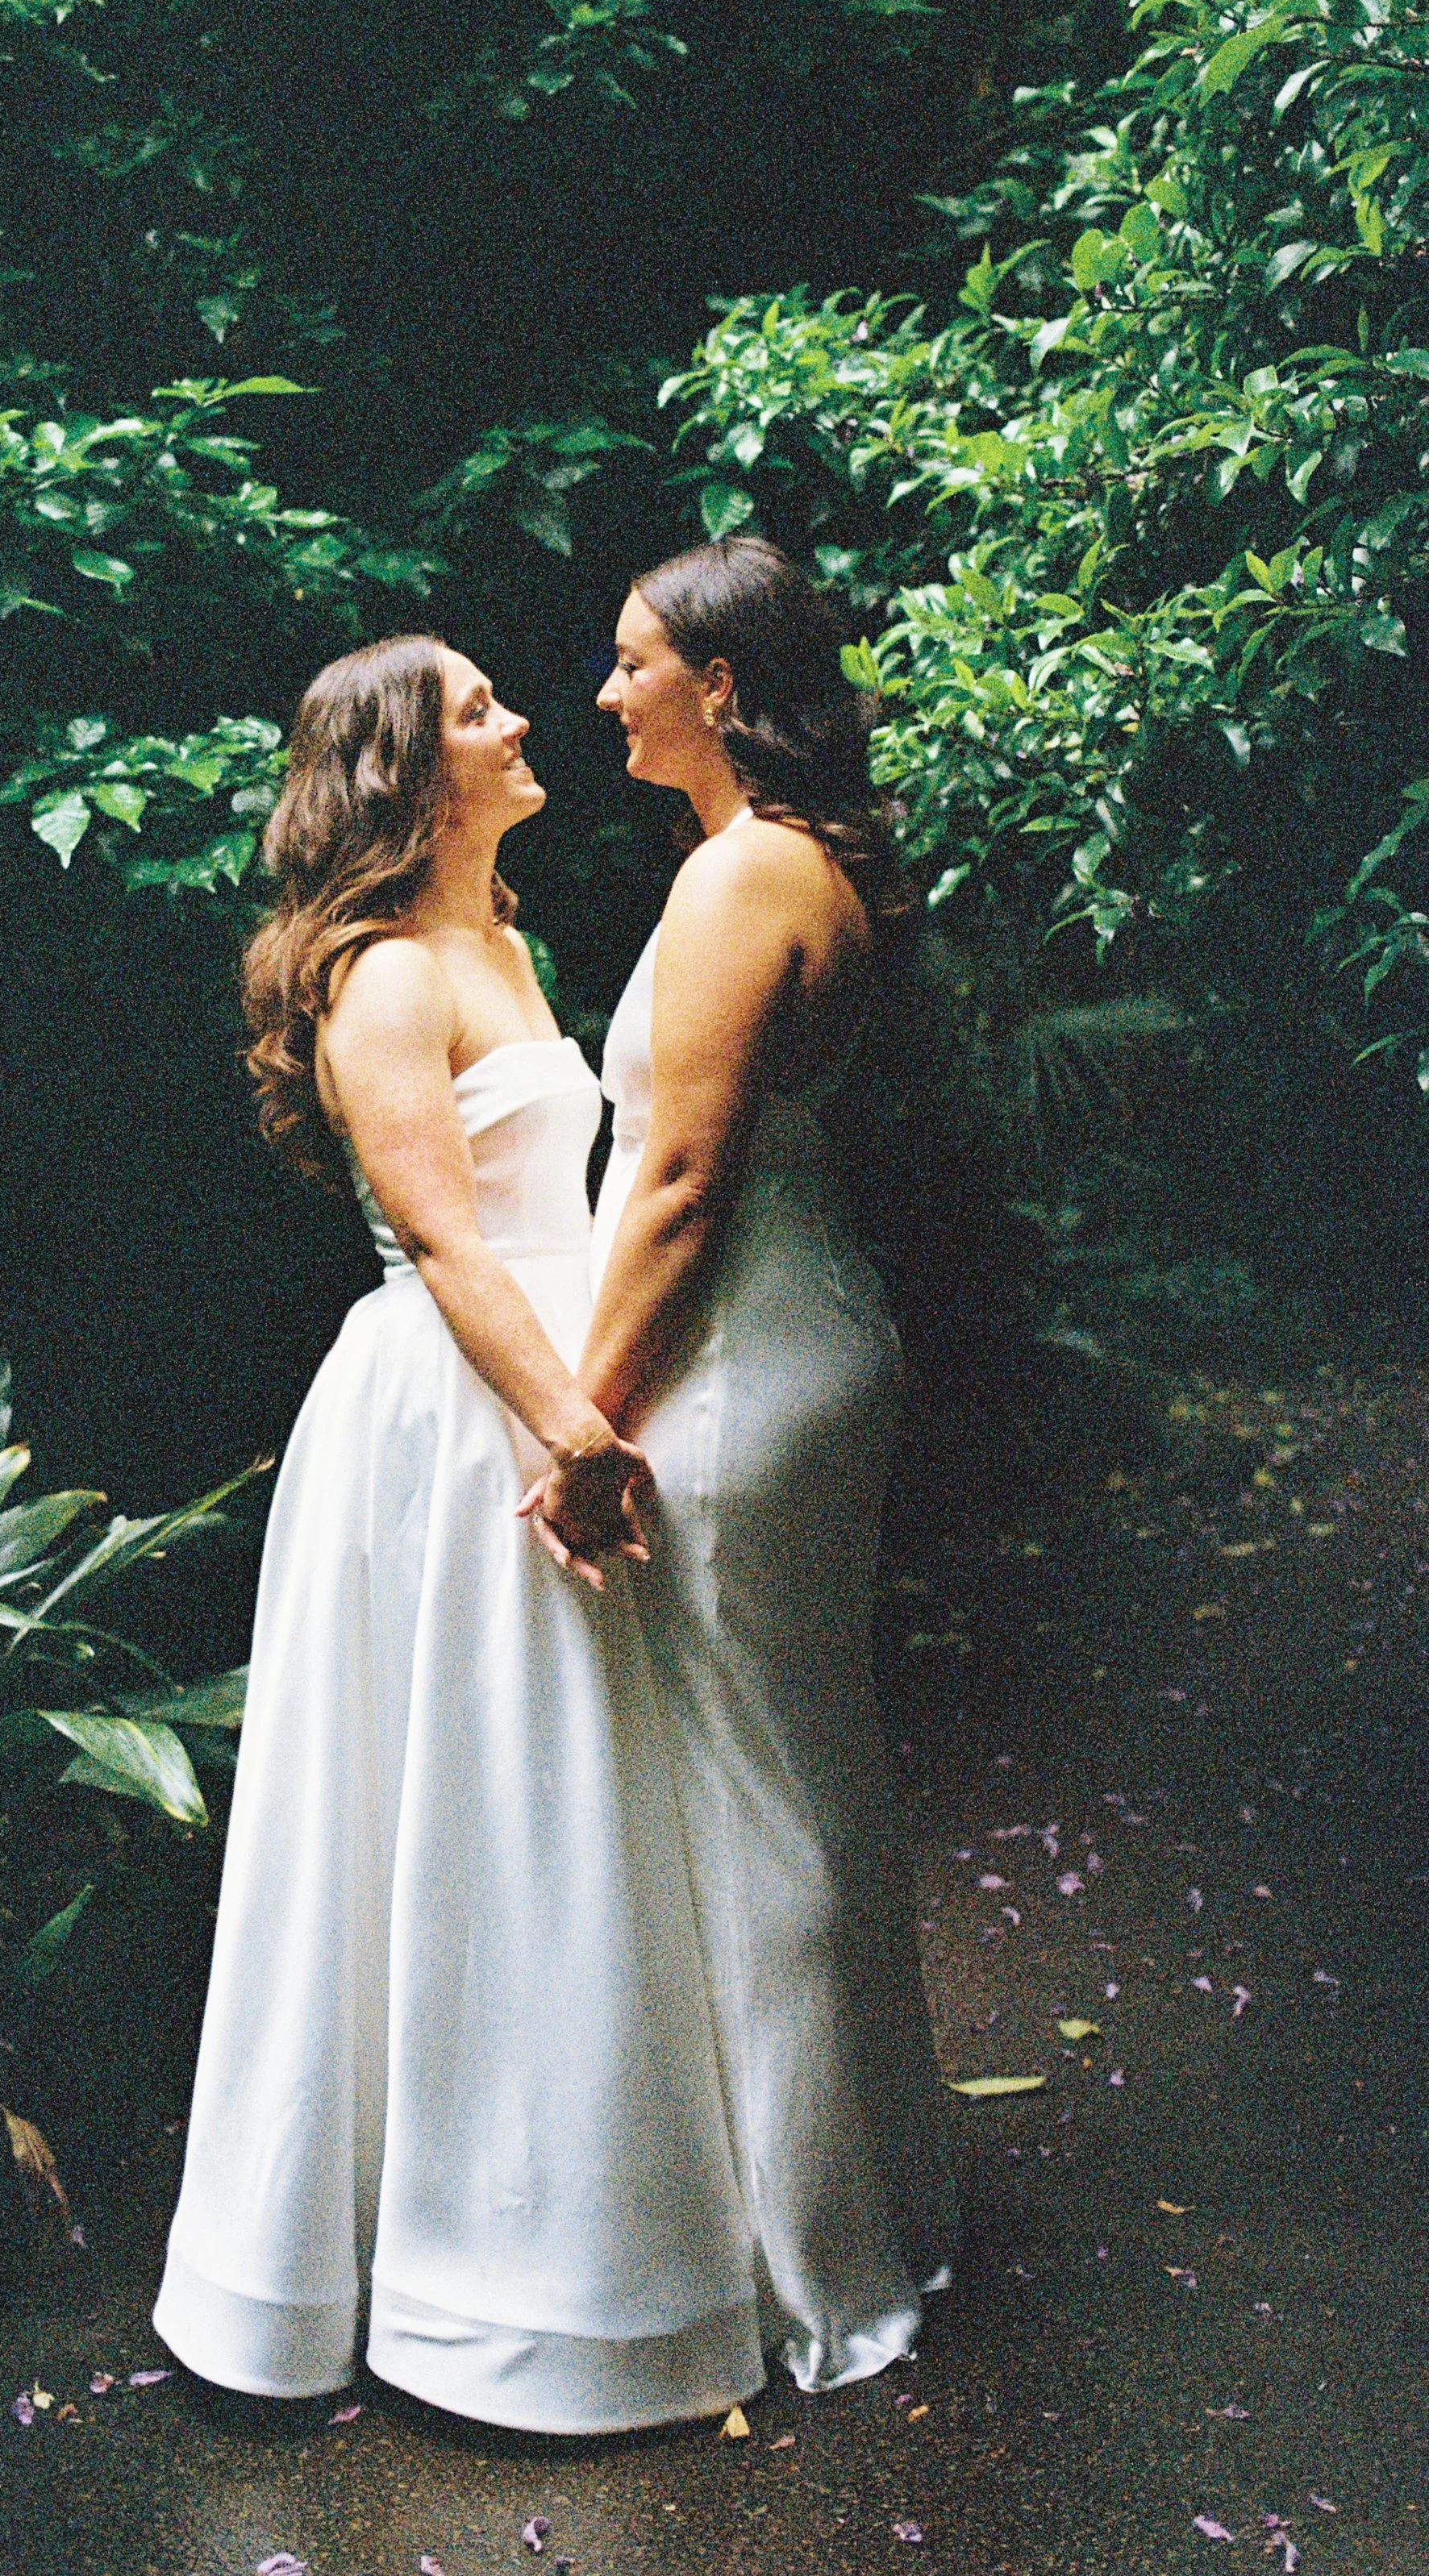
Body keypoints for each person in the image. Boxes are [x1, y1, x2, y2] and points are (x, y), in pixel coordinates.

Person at [153, 632, 768, 2433]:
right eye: (482, 708)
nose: (520, 722)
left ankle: (549, 2255)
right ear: (409, 774)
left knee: (551, 1812)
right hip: (452, 1413)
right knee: (453, 1807)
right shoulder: (381, 973)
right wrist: (570, 1427)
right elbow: (443, 1241)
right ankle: (405, 2284)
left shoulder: (501, 942)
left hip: (545, 1394)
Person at [528, 532, 958, 2391]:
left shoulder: (736, 884)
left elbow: (680, 1184)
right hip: (808, 1325)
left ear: (717, 685)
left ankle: (815, 2260)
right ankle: (883, 2201)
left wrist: (583, 1423)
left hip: (734, 1362)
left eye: (630, 662)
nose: (603, 690)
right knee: (812, 1769)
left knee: (758, 1795)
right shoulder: (794, 865)